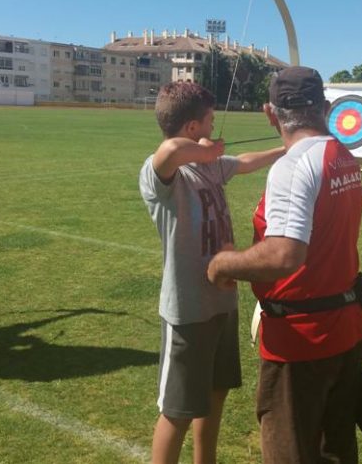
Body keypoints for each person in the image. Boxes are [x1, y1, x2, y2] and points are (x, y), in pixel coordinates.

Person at [207, 66, 362, 464]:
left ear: (270, 113)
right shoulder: (342, 155)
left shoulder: (295, 165)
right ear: (328, 108)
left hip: (302, 344)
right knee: (334, 451)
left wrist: (223, 265)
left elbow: (285, 254)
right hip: (344, 331)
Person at [139, 81, 283, 464]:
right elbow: (169, 150)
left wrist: (287, 148)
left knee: (214, 396)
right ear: (192, 129)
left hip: (222, 303)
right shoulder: (164, 177)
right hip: (187, 311)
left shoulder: (212, 167)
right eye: (210, 121)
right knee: (177, 410)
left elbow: (247, 161)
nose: (215, 128)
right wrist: (206, 153)